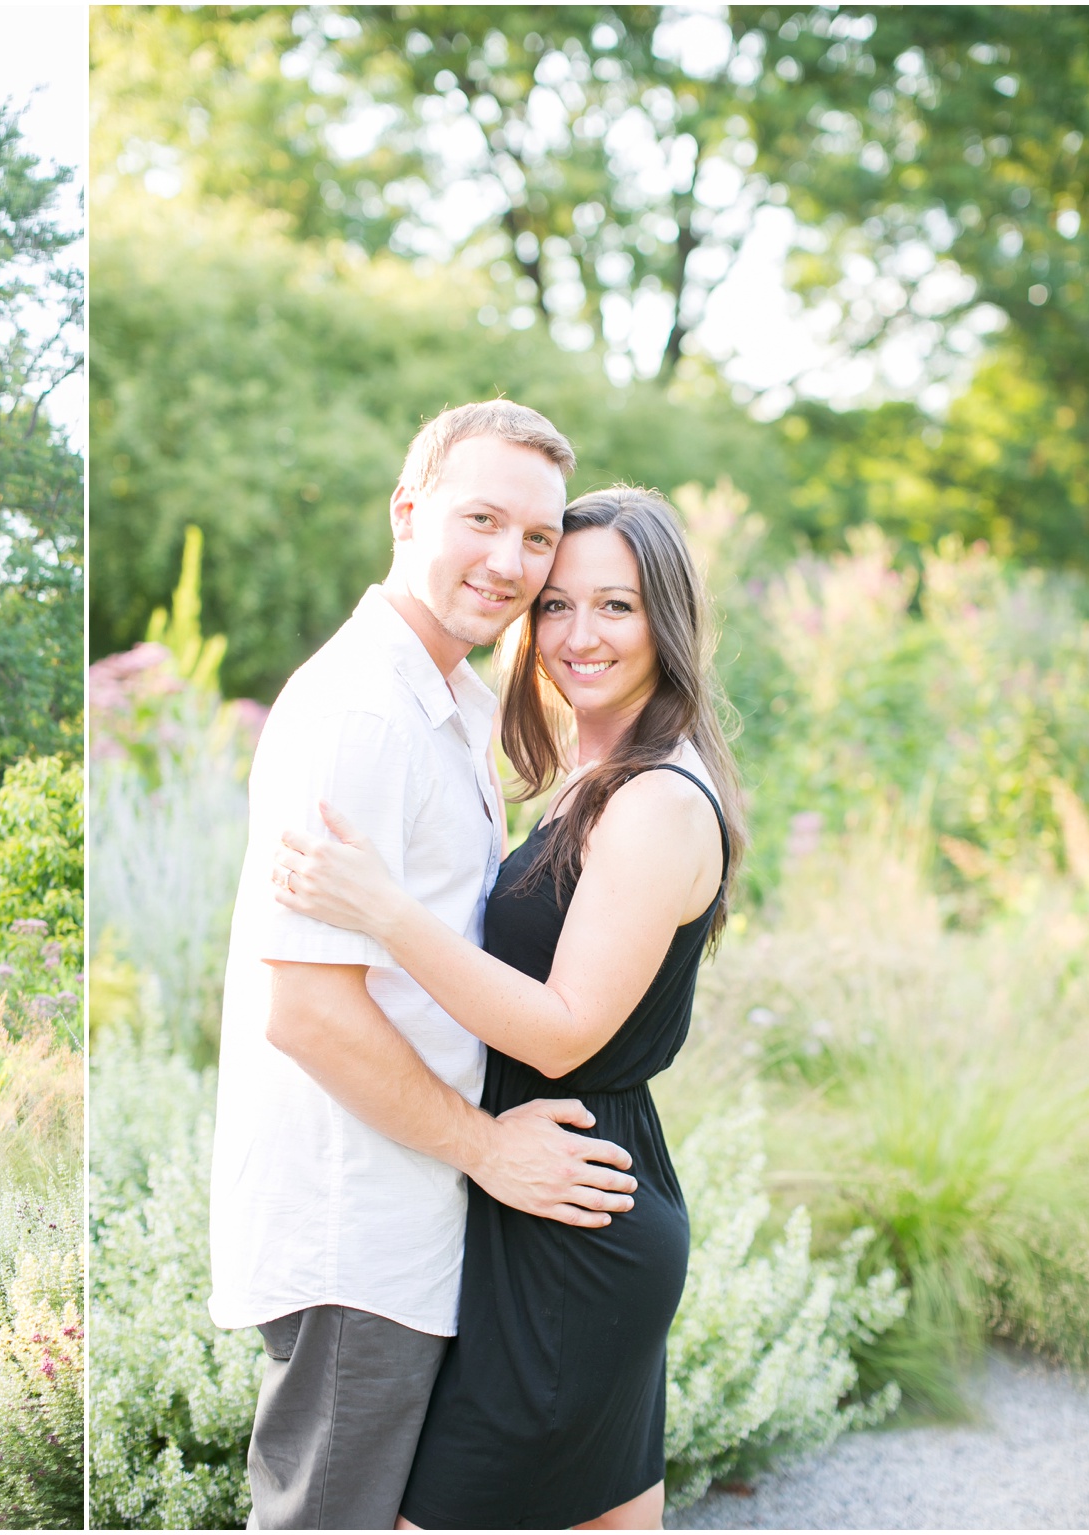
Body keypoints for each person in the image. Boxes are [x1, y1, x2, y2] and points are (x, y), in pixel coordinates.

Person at [272, 486, 746, 1530]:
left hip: (573, 1221)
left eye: (614, 606)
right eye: (555, 604)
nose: (579, 634)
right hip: (550, 1197)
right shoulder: (586, 774)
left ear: (664, 619)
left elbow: (563, 1025)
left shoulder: (656, 800)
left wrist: (386, 913)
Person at [209, 401, 642, 1532]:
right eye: (479, 519)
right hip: (355, 1222)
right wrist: (486, 1148)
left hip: (407, 1210)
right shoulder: (361, 711)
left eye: (536, 538)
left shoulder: (443, 697)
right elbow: (302, 1009)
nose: (507, 562)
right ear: (407, 511)